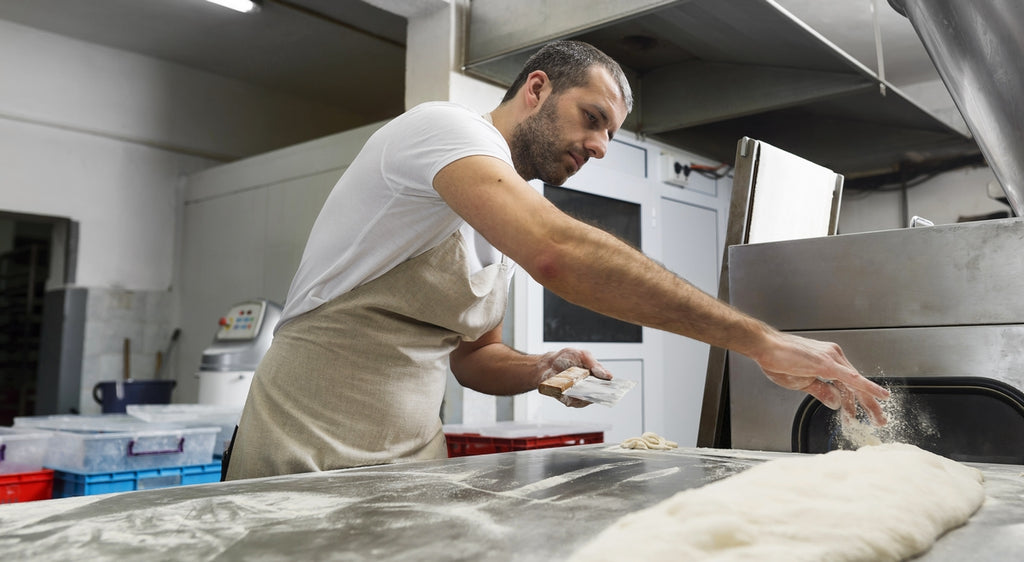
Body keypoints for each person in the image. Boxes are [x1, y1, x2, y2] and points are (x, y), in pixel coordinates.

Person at [223, 40, 888, 481]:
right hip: (305, 450)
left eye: (610, 134)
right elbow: (558, 252)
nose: (599, 147)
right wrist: (762, 341)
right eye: (591, 118)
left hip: (409, 464)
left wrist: (542, 369)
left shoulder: (500, 216)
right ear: (536, 88)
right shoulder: (441, 131)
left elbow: (469, 356)